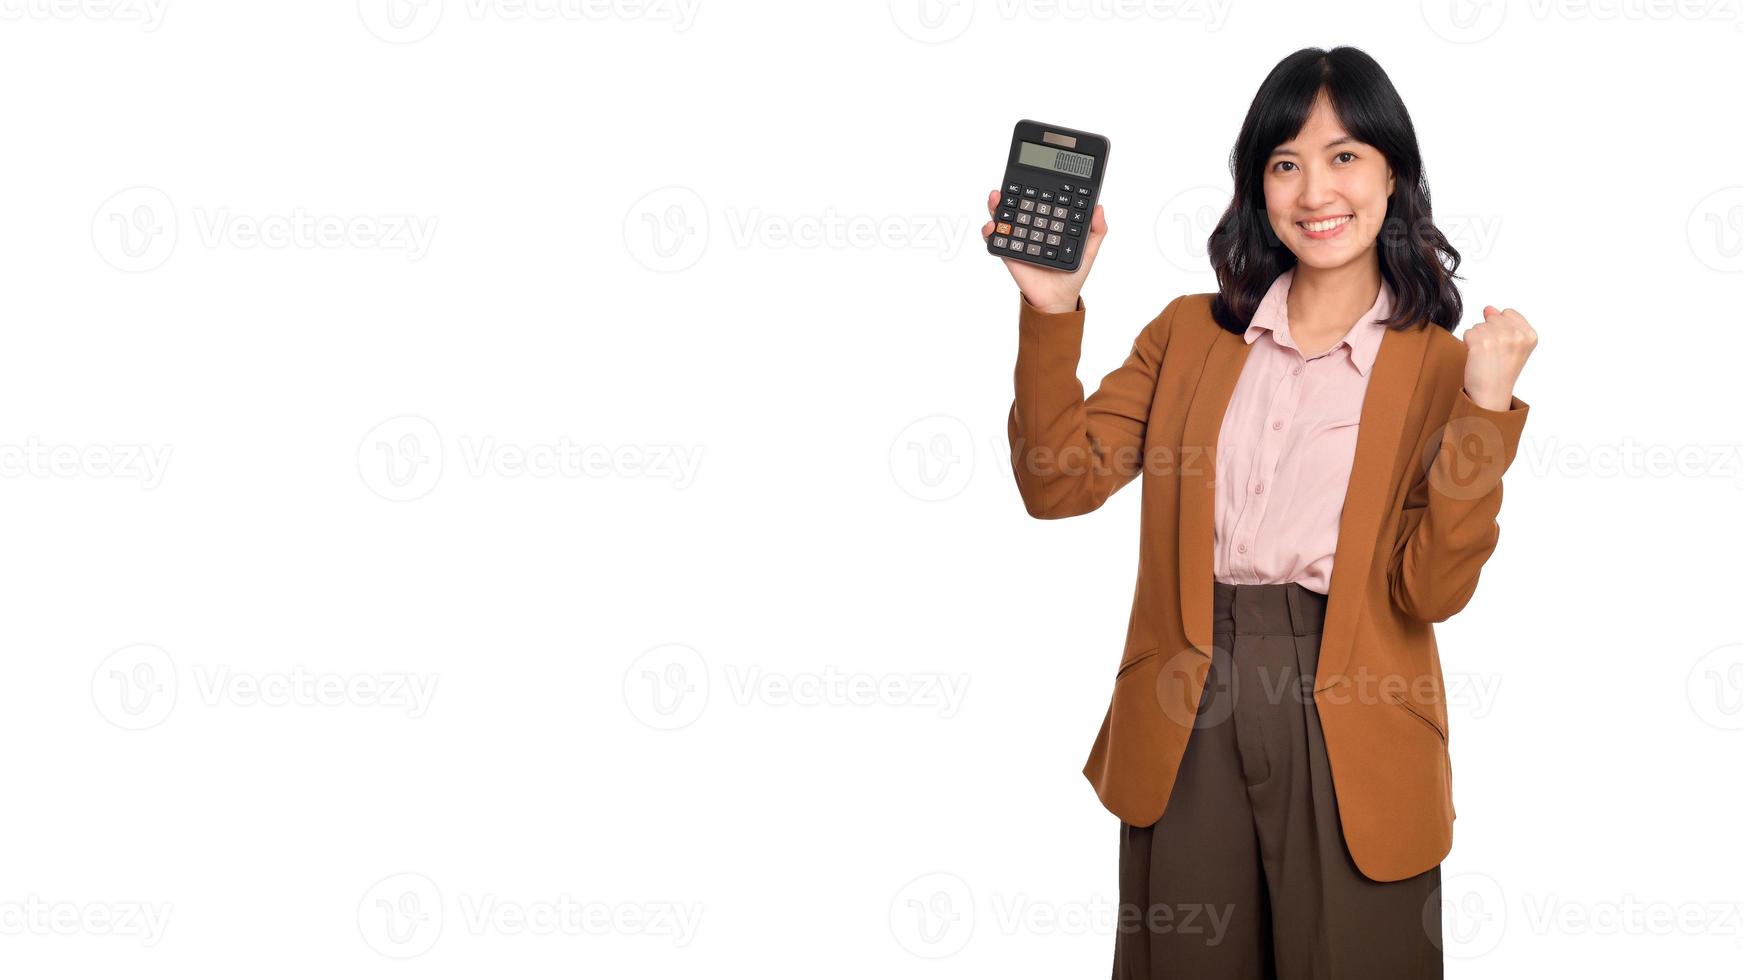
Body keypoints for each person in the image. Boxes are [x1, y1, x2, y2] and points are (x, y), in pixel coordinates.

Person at [983, 46, 1537, 979]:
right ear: (1257, 187)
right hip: (1186, 701)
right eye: (1284, 162)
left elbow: (1433, 589)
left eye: (1344, 155)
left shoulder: (1447, 367)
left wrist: (1484, 411)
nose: (1314, 189)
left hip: (1354, 708)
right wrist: (1051, 309)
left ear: (1392, 172)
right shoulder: (1188, 333)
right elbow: (1055, 482)